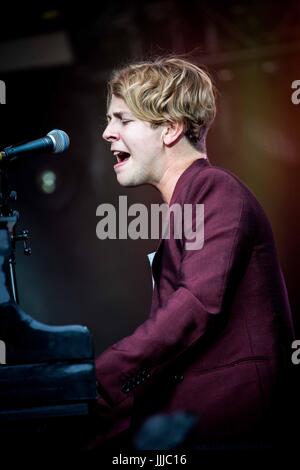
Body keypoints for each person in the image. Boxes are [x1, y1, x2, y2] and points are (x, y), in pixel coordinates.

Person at [88, 56, 294, 450]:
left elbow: (197, 305)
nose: (107, 133)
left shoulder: (213, 188)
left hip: (229, 427)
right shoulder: (185, 205)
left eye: (123, 120)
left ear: (170, 128)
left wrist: (100, 377)